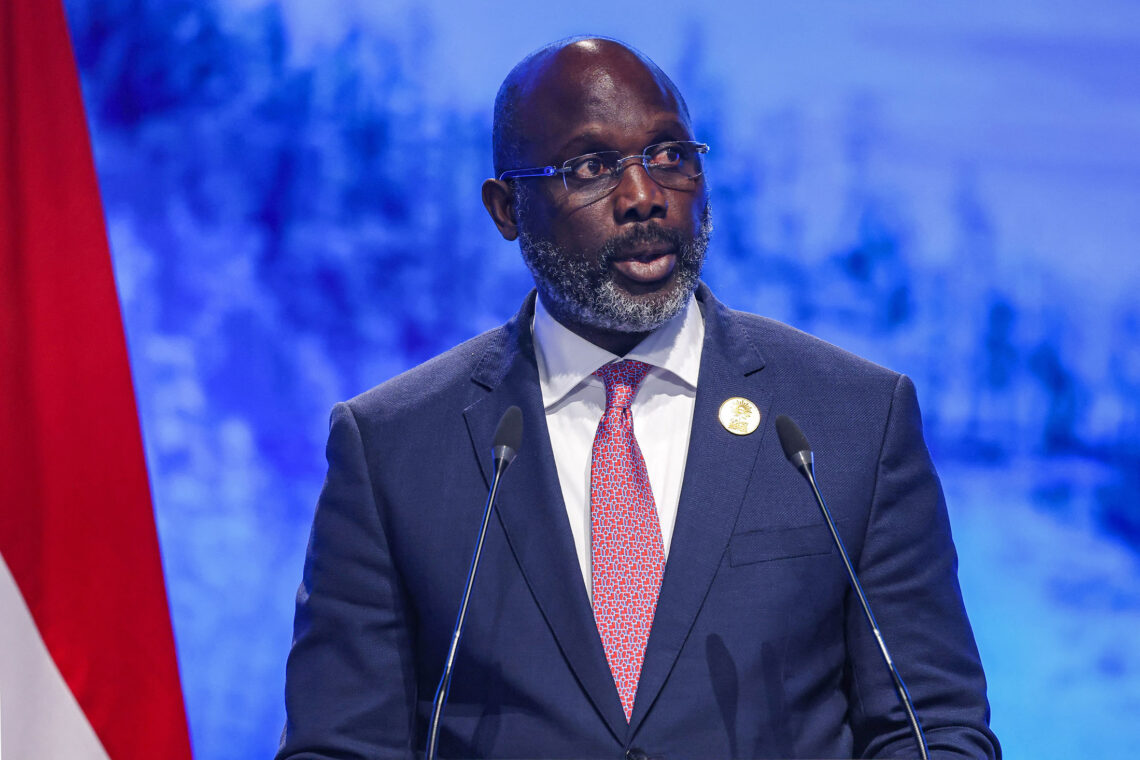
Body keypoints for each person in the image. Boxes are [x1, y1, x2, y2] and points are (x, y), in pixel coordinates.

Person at [277, 37, 1000, 760]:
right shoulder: (394, 447)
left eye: (669, 156)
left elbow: (931, 728)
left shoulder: (850, 419)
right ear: (507, 208)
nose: (643, 197)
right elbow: (341, 745)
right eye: (590, 167)